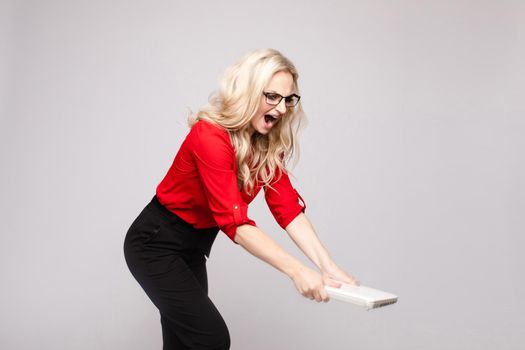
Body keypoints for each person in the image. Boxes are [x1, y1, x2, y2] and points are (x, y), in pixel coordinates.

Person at [123, 48, 359, 350]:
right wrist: (297, 271)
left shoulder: (266, 144)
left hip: (192, 248)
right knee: (210, 339)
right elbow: (234, 223)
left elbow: (287, 209)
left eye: (288, 99)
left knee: (183, 343)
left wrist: (329, 267)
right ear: (248, 92)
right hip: (154, 244)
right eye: (272, 96)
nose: (283, 108)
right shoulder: (209, 136)